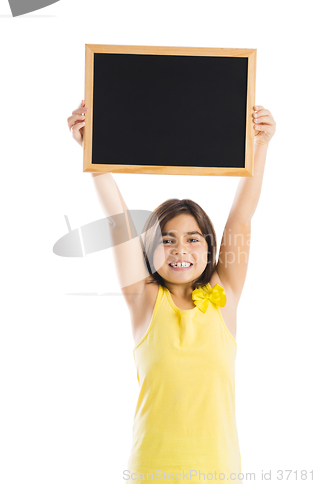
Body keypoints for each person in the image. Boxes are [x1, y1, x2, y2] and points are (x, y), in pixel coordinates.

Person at [67, 100, 276, 484]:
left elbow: (242, 215)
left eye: (193, 239)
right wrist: (91, 153)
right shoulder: (143, 299)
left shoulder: (224, 294)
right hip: (151, 472)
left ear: (211, 248)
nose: (181, 249)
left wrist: (261, 144)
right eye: (168, 239)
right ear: (148, 250)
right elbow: (118, 220)